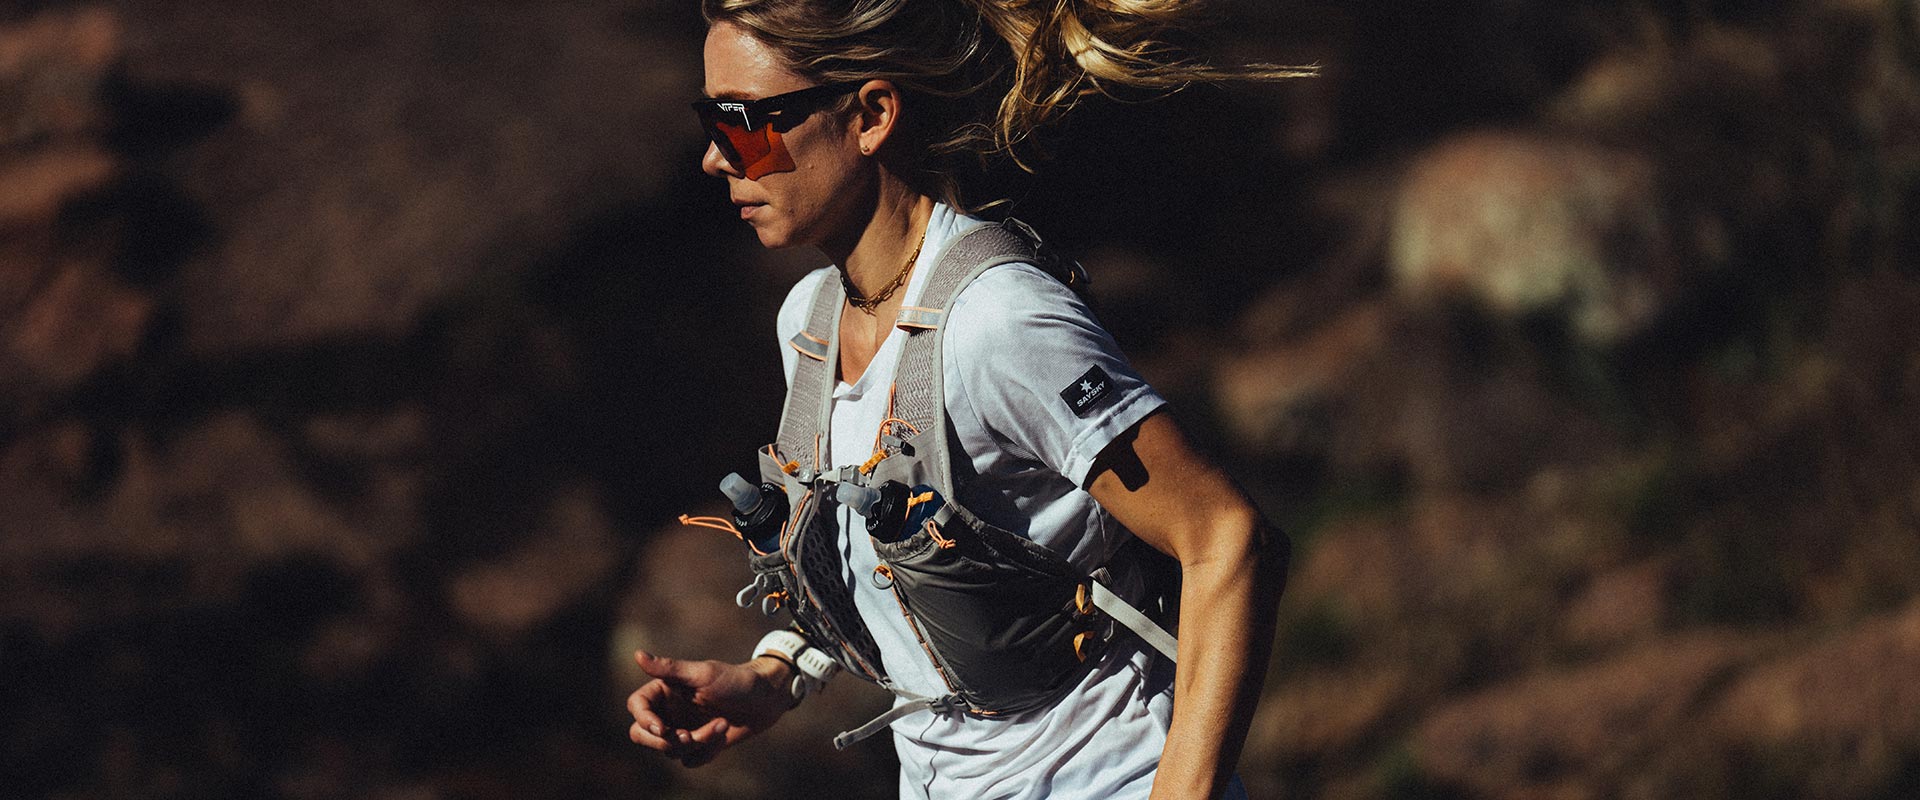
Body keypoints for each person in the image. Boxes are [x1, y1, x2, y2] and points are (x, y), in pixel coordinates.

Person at [627, 1, 1304, 797]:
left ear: (872, 115)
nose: (715, 158)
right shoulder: (807, 325)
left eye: (743, 121)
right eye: (712, 120)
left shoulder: (997, 319)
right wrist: (778, 672)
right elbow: (905, 573)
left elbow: (1227, 539)